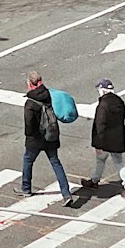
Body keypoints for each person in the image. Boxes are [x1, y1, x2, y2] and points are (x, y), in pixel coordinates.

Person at [19, 70, 80, 206]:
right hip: (51, 136)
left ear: (29, 84)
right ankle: (66, 193)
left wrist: (29, 136)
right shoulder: (49, 95)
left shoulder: (30, 103)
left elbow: (29, 126)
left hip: (35, 139)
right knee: (56, 163)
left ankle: (26, 188)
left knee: (28, 161)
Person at [79, 78, 125, 199]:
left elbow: (99, 125)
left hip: (105, 139)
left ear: (102, 90)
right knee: (118, 162)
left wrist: (98, 144)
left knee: (101, 160)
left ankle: (97, 182)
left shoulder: (103, 104)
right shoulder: (119, 102)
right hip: (117, 139)